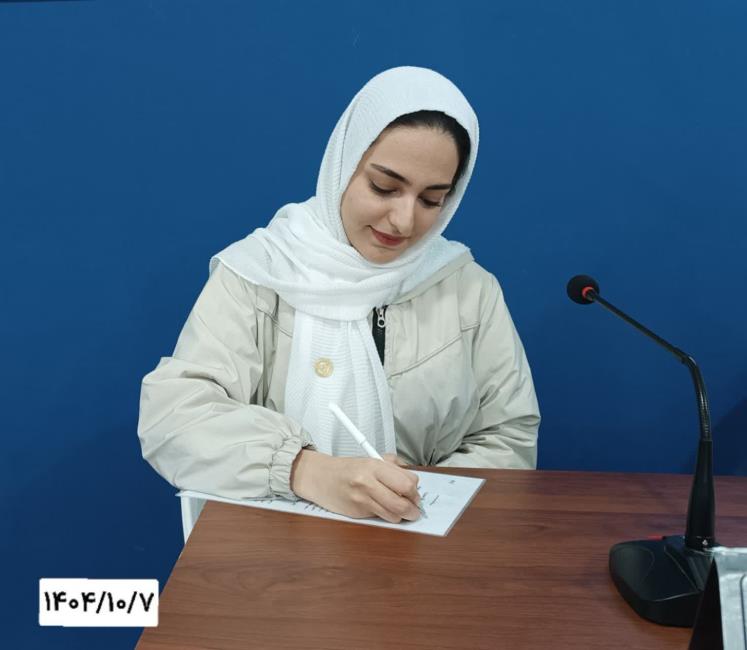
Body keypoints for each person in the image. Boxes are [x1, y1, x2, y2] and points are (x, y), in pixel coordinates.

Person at [137, 66, 540, 525]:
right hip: (271, 550)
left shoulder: (468, 289)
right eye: (384, 187)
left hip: (421, 549)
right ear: (343, 165)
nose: (404, 221)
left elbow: (510, 437)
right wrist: (304, 470)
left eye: (432, 200)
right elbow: (173, 419)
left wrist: (413, 493)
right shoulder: (260, 273)